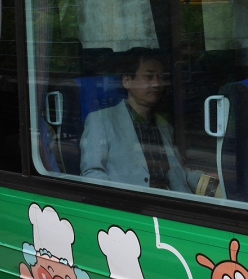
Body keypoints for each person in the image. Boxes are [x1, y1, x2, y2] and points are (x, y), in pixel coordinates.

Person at [80, 49, 200, 194]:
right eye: (149, 77)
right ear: (127, 81)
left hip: (171, 202)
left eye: (160, 78)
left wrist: (209, 181)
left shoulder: (163, 125)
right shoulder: (101, 121)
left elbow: (178, 173)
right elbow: (92, 174)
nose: (156, 84)